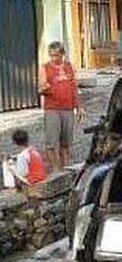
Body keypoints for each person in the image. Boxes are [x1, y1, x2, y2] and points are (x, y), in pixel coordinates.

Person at [38, 41, 85, 171]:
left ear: (62, 54)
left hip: (68, 108)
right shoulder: (45, 67)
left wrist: (79, 107)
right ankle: (56, 169)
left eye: (56, 55)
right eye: (51, 55)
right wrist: (46, 88)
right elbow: (41, 88)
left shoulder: (70, 67)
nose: (53, 58)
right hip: (52, 109)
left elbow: (74, 87)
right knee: (52, 142)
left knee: (66, 143)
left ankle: (66, 169)